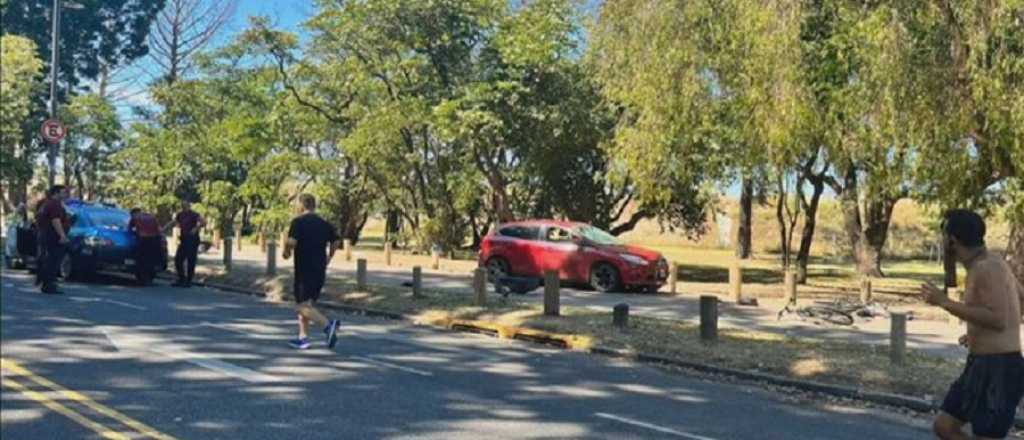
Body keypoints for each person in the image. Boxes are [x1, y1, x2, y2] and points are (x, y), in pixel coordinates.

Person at [922, 210, 1024, 440]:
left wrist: (944, 301)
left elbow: (998, 319)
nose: (942, 240)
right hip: (980, 365)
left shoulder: (985, 268)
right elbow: (1018, 300)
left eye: (944, 235)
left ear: (953, 240)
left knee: (985, 434)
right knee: (945, 426)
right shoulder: (994, 262)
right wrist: (978, 332)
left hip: (1000, 369)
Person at [282, 194, 341, 350]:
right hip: (320, 268)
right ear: (314, 205)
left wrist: (286, 251)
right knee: (308, 304)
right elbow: (336, 241)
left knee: (301, 306)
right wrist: (329, 256)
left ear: (301, 205)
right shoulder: (324, 223)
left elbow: (292, 242)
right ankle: (303, 338)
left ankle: (328, 325)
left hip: (304, 269)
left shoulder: (298, 222)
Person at [35, 185, 71, 294]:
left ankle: (45, 283)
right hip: (52, 236)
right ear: (56, 193)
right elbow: (55, 221)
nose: (66, 195)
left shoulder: (46, 203)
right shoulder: (55, 204)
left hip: (45, 235)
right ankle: (49, 285)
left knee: (47, 259)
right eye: (64, 192)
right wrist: (62, 236)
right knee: (53, 260)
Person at [163, 200, 205, 288]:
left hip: (192, 239)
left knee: (191, 260)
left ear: (189, 206)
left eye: (185, 205)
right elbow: (173, 222)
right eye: (182, 205)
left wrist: (196, 228)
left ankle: (189, 280)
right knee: (178, 259)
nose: (184, 207)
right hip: (184, 239)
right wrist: (163, 229)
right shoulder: (180, 214)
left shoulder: (194, 214)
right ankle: (181, 278)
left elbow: (203, 222)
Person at [129, 208, 162, 285]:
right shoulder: (151, 216)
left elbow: (129, 229)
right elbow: (158, 228)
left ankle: (142, 279)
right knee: (151, 259)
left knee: (141, 259)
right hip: (155, 240)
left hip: (143, 240)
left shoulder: (135, 217)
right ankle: (150, 278)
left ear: (134, 213)